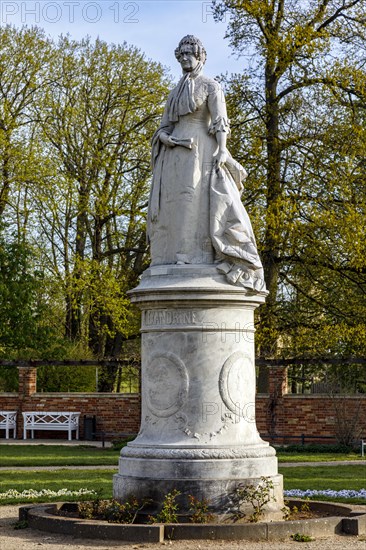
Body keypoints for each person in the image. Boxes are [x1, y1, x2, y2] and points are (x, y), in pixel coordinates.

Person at [147, 35, 266, 292]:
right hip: (173, 155)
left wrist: (222, 150)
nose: (185, 59)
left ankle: (198, 256)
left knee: (196, 201)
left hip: (201, 148)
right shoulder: (174, 92)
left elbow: (220, 121)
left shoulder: (211, 86)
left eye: (190, 54)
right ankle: (175, 253)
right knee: (174, 204)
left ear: (200, 56)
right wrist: (165, 138)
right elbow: (164, 126)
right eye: (182, 55)